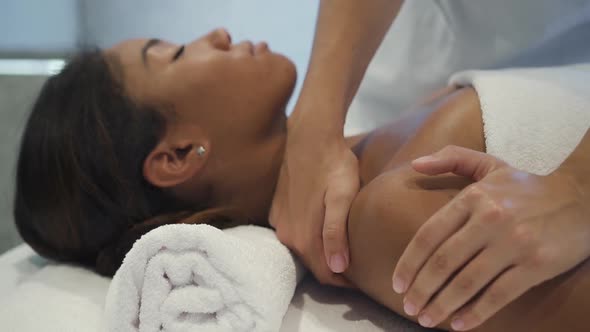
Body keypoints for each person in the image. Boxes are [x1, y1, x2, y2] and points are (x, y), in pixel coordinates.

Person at [13, 29, 590, 331]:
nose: (214, 33)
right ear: (180, 155)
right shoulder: (380, 218)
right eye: (176, 53)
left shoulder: (386, 137)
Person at [270, 0, 590, 329]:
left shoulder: (380, 134)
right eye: (208, 36)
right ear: (209, 154)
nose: (219, 33)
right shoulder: (389, 212)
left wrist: (580, 185)